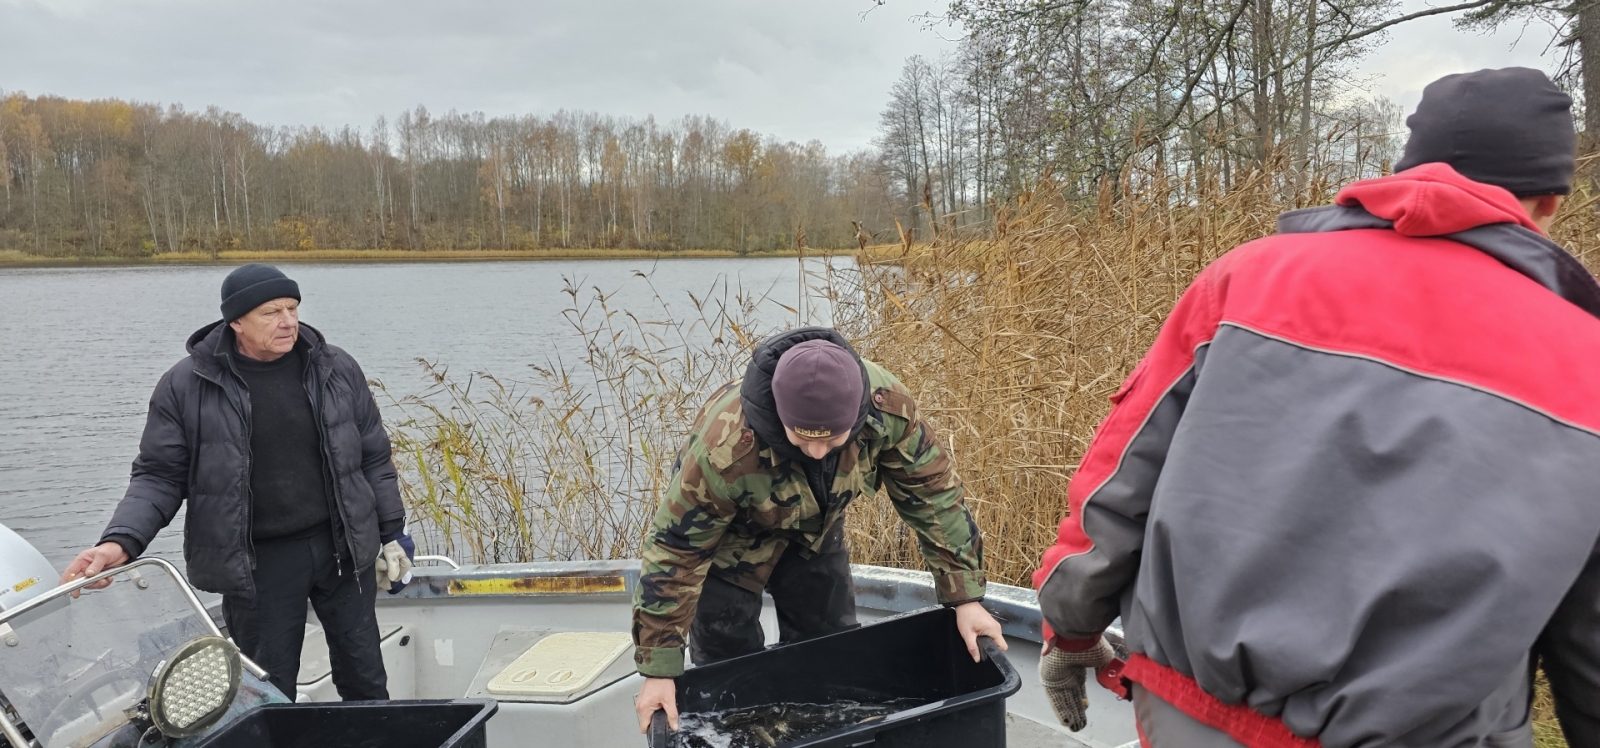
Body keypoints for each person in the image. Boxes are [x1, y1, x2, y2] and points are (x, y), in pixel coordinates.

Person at [1032, 67, 1600, 746]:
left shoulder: (1247, 279)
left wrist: (1069, 629)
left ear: (1406, 168)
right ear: (1552, 201)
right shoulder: (1586, 363)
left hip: (1188, 713)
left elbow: (1120, 481)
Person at [61, 264, 415, 701]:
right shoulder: (186, 386)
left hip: (343, 550)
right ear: (236, 322)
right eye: (271, 312)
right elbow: (158, 475)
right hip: (258, 565)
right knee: (269, 691)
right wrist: (120, 542)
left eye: (292, 308)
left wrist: (392, 532)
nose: (288, 321)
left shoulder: (334, 367)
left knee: (366, 679)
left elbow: (374, 457)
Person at [630, 327, 1006, 732]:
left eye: (832, 440)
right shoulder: (725, 447)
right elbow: (676, 549)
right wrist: (659, 668)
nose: (815, 452)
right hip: (726, 548)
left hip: (815, 532)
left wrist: (965, 598)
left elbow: (933, 497)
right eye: (801, 438)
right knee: (732, 678)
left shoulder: (888, 410)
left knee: (834, 654)